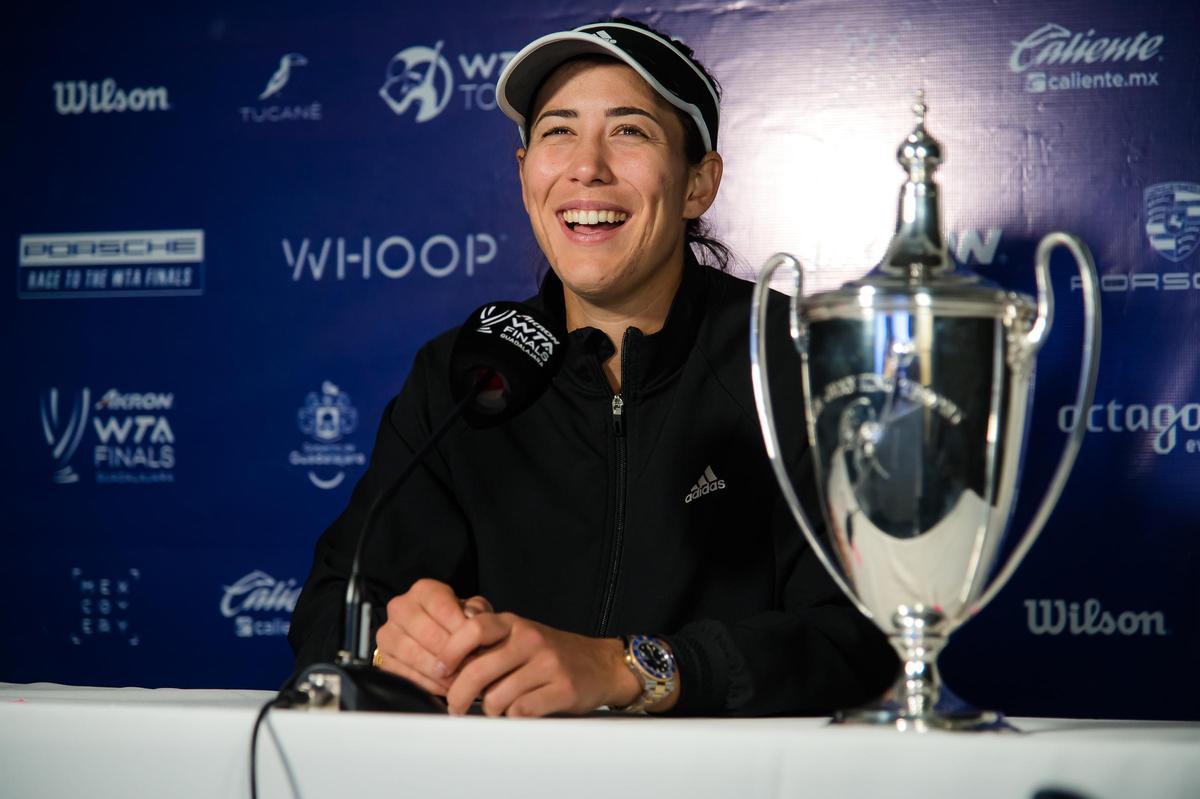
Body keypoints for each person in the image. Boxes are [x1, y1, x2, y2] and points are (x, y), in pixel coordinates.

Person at [288, 18, 896, 718]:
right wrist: (391, 639)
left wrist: (630, 666)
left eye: (630, 130)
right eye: (558, 131)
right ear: (525, 176)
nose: (587, 166)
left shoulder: (796, 361)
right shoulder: (461, 374)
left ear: (699, 183)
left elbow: (862, 639)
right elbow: (331, 607)